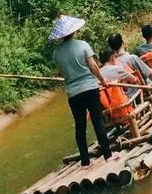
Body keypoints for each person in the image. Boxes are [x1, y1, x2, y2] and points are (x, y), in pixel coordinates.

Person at [50, 15, 119, 168]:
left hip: (73, 94)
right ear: (73, 31)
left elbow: (61, 73)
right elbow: (94, 67)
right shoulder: (83, 45)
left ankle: (85, 161)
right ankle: (108, 155)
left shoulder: (56, 53)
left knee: (80, 125)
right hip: (89, 87)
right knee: (97, 121)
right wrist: (102, 81)